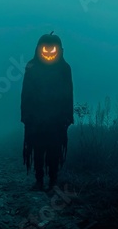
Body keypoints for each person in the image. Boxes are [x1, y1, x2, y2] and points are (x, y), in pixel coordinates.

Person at [21, 31, 74, 191]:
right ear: (39, 49)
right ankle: (39, 180)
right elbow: (25, 93)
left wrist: (68, 115)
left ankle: (52, 180)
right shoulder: (31, 66)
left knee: (55, 150)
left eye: (53, 49)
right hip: (36, 118)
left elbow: (69, 93)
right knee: (37, 149)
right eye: (46, 49)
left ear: (60, 50)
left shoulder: (64, 68)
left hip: (56, 118)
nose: (49, 53)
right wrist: (25, 115)